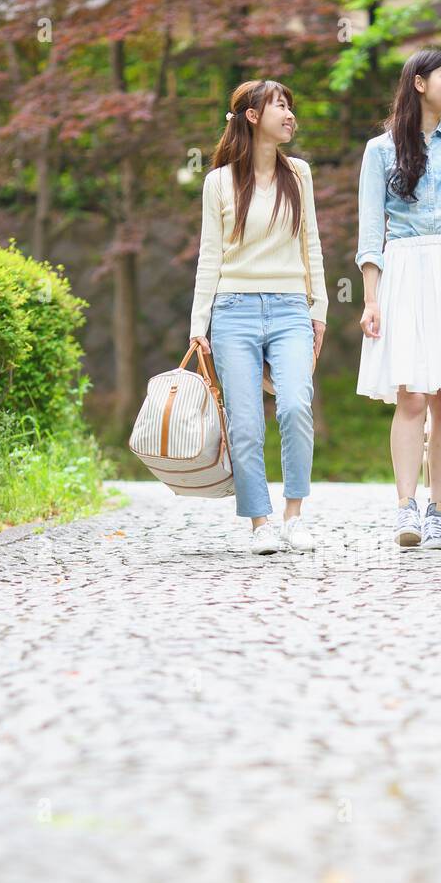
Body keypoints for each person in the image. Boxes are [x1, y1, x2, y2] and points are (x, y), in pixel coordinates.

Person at [355, 48, 441, 550]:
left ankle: (440, 511)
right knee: (410, 395)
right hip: (405, 269)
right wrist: (371, 298)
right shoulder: (380, 150)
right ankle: (405, 507)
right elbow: (372, 231)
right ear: (418, 83)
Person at [189, 79, 327, 554]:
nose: (289, 114)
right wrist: (198, 325)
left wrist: (320, 311)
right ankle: (260, 522)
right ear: (252, 116)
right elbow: (210, 256)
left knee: (295, 406)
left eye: (291, 105)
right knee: (246, 423)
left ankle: (294, 514)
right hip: (232, 311)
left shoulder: (300, 175)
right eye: (279, 106)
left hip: (291, 307)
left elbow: (311, 245)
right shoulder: (218, 183)